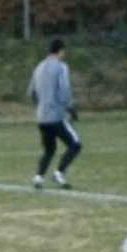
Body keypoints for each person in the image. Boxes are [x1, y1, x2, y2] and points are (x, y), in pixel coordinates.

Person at [28, 38, 80, 190]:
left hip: (41, 117)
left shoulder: (39, 67)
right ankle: (59, 173)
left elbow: (31, 92)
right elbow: (64, 89)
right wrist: (70, 108)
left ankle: (38, 177)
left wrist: (40, 107)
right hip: (56, 115)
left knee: (49, 149)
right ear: (61, 51)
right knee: (75, 144)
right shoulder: (61, 67)